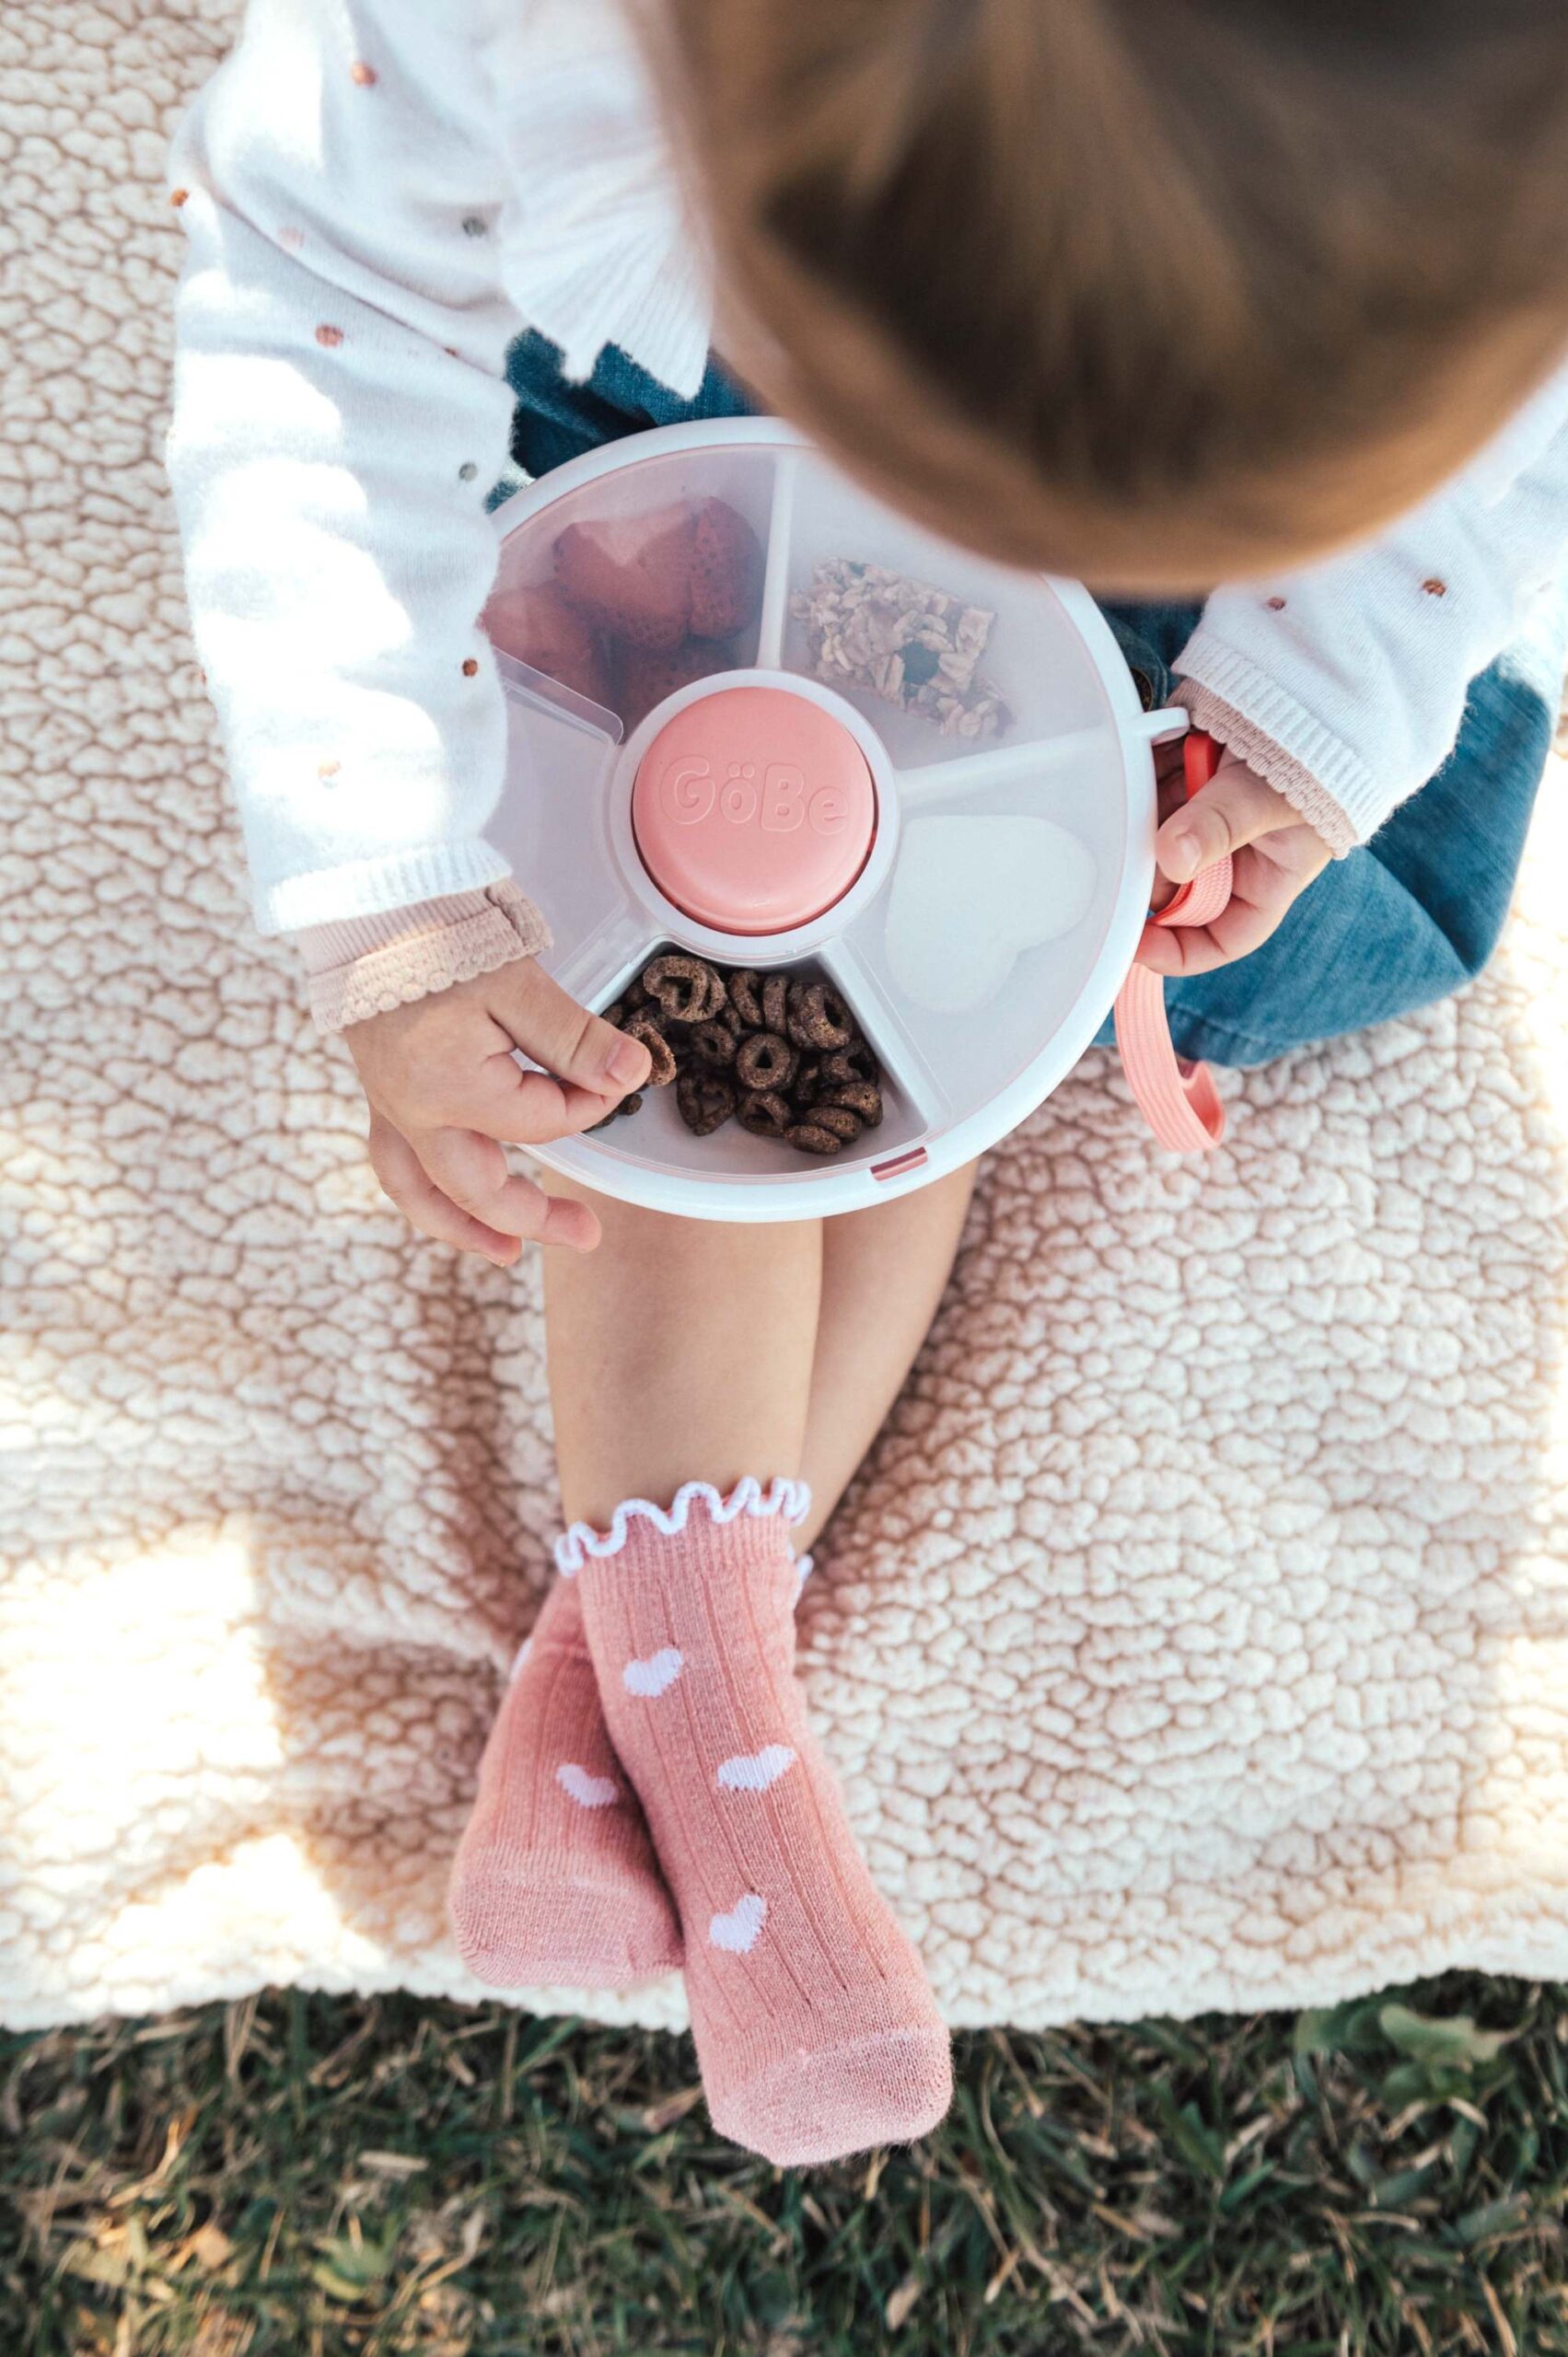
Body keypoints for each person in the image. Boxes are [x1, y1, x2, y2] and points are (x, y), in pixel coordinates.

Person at [166, 0, 1568, 2164]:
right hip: (676, 420)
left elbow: (1505, 407)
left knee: (931, 998)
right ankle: (708, 1708)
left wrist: (1308, 688)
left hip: (1226, 507)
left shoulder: (1472, 142)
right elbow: (317, 304)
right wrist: (396, 898)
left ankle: (638, 1666)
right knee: (683, 920)